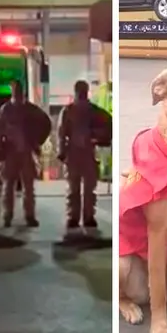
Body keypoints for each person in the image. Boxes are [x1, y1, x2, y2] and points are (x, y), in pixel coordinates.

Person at [0, 80, 51, 227]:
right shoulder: (5, 110)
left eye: (18, 90)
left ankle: (29, 215)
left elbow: (46, 124)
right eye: (15, 90)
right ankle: (7, 215)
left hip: (27, 151)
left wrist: (38, 141)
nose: (17, 93)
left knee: (29, 187)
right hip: (10, 152)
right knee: (8, 186)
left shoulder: (31, 110)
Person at [58, 80, 111, 233]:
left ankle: (79, 218)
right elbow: (62, 133)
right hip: (79, 153)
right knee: (80, 189)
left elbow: (61, 133)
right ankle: (82, 217)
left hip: (83, 153)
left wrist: (98, 137)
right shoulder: (88, 110)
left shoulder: (73, 111)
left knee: (82, 189)